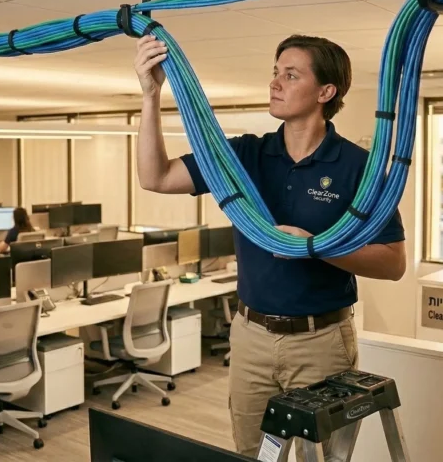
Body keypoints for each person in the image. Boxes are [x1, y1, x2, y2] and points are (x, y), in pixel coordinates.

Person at [133, 33, 406, 457]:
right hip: (250, 337)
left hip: (321, 341)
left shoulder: (359, 168)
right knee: (250, 452)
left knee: (321, 458)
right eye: (275, 73)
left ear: (325, 92)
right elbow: (157, 177)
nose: (275, 83)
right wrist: (150, 96)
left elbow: (393, 263)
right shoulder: (245, 154)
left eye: (290, 74)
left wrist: (315, 246)